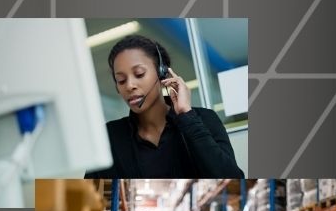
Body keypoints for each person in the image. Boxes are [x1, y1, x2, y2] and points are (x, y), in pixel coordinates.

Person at [84, 35, 244, 178]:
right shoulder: (109, 137)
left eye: (139, 74)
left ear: (162, 74)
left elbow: (232, 179)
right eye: (121, 80)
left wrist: (187, 116)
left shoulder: (205, 119)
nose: (129, 85)